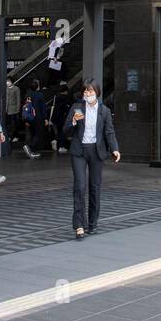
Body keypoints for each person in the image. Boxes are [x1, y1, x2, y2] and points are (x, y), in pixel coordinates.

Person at [62, 79, 119, 240]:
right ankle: (79, 225)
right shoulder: (76, 108)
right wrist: (73, 122)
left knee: (95, 187)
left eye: (91, 92)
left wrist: (115, 148)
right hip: (79, 151)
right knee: (79, 186)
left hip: (96, 151)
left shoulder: (104, 111)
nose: (87, 94)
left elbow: (109, 132)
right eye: (85, 92)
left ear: (97, 93)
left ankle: (92, 222)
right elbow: (65, 130)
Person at [50, 82, 73, 154]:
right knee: (62, 132)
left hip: (55, 117)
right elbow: (66, 109)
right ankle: (61, 146)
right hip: (62, 117)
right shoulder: (65, 98)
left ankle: (55, 140)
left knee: (59, 131)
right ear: (66, 91)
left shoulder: (57, 97)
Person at [19, 94, 42, 158]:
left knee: (33, 136)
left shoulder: (29, 104)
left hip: (31, 122)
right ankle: (28, 148)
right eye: (28, 98)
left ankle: (31, 151)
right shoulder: (27, 105)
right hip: (31, 122)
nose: (30, 100)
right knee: (34, 136)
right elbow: (25, 115)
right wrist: (27, 121)